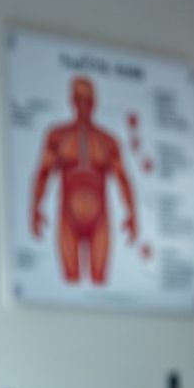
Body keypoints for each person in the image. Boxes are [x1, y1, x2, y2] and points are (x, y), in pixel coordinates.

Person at [30, 76, 137, 285]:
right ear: (71, 101)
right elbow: (43, 172)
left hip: (100, 219)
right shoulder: (57, 136)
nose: (83, 105)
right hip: (68, 216)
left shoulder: (108, 141)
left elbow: (123, 179)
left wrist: (133, 214)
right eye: (79, 99)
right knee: (70, 284)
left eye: (87, 100)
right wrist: (35, 207)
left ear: (94, 103)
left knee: (100, 283)